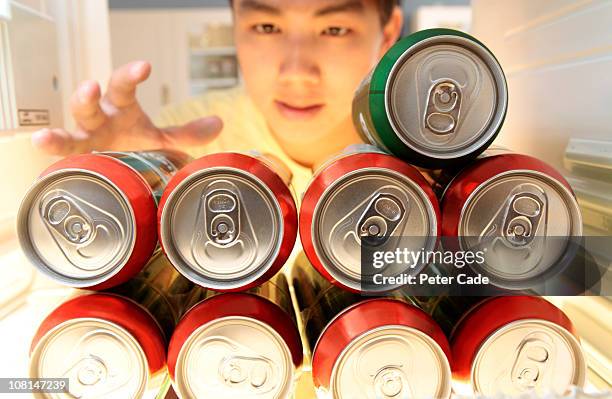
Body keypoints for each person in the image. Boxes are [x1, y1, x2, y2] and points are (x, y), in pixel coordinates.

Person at [32, 0, 403, 193]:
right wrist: (131, 186)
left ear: (387, 35)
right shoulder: (180, 147)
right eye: (266, 26)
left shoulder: (433, 157)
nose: (296, 72)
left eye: (334, 29)